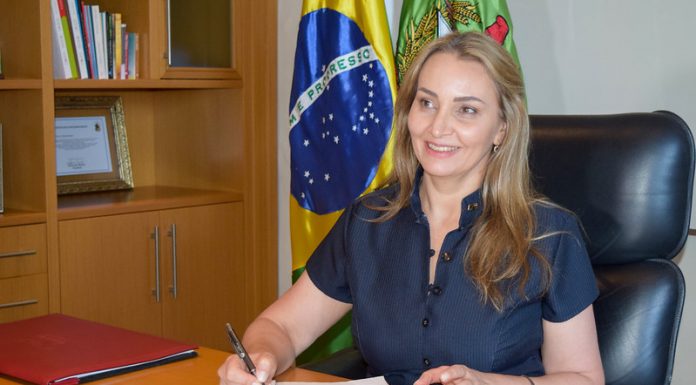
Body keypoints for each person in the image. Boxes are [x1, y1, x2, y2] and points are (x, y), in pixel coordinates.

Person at [219, 31, 604, 385]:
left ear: (502, 128)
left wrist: (488, 382)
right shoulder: (368, 220)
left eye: (466, 110)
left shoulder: (548, 234)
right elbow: (282, 326)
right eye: (427, 103)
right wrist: (262, 356)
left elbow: (583, 379)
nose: (438, 127)